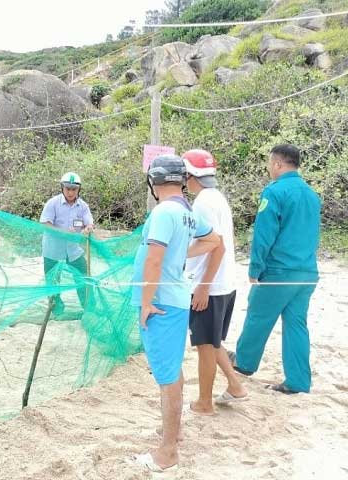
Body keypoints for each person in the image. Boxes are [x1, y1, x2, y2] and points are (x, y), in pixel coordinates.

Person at [131, 155, 221, 472]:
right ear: (181, 180)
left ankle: (167, 452)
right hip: (175, 299)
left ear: (153, 184)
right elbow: (213, 240)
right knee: (173, 371)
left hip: (162, 303)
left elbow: (154, 261)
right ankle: (175, 433)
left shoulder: (164, 211)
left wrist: (145, 302)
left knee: (167, 378)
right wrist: (182, 253)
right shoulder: (185, 210)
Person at [232, 144, 321, 394]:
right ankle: (298, 382)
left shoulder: (275, 191)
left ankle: (244, 363)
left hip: (280, 270)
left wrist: (255, 267)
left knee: (258, 314)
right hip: (307, 272)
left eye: (270, 163)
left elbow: (264, 234)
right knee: (296, 325)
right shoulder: (312, 194)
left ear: (278, 164)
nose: (269, 168)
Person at [182, 149, 247, 415]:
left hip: (211, 285)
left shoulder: (203, 203)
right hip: (224, 283)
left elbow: (216, 246)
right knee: (211, 341)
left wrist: (203, 287)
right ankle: (235, 385)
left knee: (205, 347)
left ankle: (204, 403)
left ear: (190, 175)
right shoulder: (216, 197)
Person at [40, 172, 94, 315]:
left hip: (73, 251)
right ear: (62, 188)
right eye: (67, 188)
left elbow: (88, 222)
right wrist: (64, 232)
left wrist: (88, 227)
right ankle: (56, 310)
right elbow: (45, 224)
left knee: (84, 277)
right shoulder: (52, 203)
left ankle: (89, 309)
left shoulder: (83, 206)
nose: (70, 192)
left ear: (79, 190)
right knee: (53, 282)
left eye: (74, 189)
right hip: (52, 250)